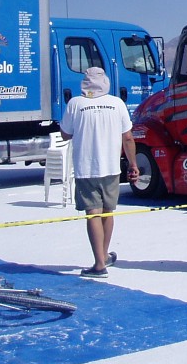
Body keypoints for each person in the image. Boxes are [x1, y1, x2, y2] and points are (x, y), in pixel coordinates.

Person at [59, 66, 139, 277]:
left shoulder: (75, 104)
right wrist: (133, 164)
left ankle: (99, 263)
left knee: (92, 213)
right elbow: (128, 137)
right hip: (111, 167)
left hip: (86, 168)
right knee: (107, 211)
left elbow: (65, 134)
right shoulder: (117, 104)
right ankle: (103, 256)